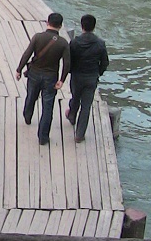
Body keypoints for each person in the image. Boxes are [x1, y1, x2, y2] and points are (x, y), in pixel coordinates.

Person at [15, 12, 70, 146]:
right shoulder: (63, 43)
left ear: (47, 22)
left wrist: (19, 69)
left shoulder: (37, 37)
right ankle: (43, 137)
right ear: (61, 26)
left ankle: (27, 117)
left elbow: (27, 54)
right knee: (48, 107)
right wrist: (62, 80)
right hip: (51, 77)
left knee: (31, 96)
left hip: (34, 74)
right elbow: (67, 63)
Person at [66, 14, 109, 143]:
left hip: (77, 75)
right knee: (86, 106)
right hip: (91, 77)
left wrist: (70, 71)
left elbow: (69, 60)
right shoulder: (100, 43)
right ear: (94, 27)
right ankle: (79, 134)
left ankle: (72, 115)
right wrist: (98, 73)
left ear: (81, 25)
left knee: (75, 96)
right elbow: (105, 62)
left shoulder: (75, 42)